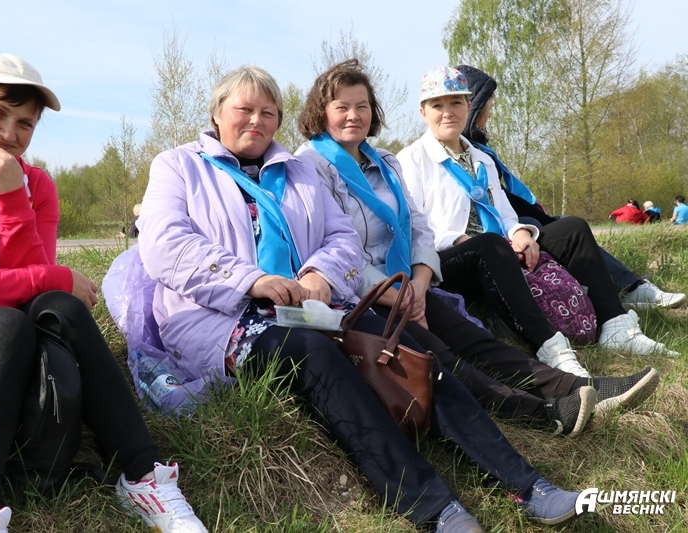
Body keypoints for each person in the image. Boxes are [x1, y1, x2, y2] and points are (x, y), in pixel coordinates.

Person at [135, 64, 593, 532]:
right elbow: (164, 244)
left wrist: (320, 273)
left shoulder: (295, 171)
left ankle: (529, 485)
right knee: (315, 355)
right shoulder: (178, 166)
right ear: (216, 113)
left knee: (407, 351)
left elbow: (341, 238)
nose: (256, 121)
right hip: (221, 316)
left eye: (268, 113)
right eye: (244, 110)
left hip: (306, 307)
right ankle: (434, 507)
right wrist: (252, 280)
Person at [0, 51, 207, 533]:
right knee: (7, 320)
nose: (9, 133)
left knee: (54, 308)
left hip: (3, 341)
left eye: (25, 123)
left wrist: (12, 198)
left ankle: (144, 475)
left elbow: (32, 290)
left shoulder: (35, 185)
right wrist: (54, 276)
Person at [294, 59, 659, 437]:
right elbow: (334, 247)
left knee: (477, 341)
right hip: (364, 293)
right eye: (341, 107)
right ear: (321, 112)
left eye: (362, 106)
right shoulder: (311, 166)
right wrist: (400, 294)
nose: (354, 115)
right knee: (440, 356)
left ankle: (579, 387)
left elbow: (417, 227)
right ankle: (542, 413)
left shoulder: (384, 161)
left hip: (408, 282)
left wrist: (419, 283)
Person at [396, 66, 679, 369]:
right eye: (437, 105)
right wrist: (459, 239)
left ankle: (616, 325)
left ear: (468, 106)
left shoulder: (481, 159)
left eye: (456, 103)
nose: (447, 112)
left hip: (497, 248)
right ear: (423, 112)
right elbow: (414, 227)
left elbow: (504, 212)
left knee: (572, 229)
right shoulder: (410, 161)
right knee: (489, 245)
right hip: (448, 258)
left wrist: (520, 234)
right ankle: (552, 349)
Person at [456, 64, 686, 309]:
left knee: (556, 223)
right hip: (476, 236)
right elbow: (491, 201)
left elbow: (502, 198)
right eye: (489, 105)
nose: (491, 113)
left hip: (501, 226)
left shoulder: (478, 150)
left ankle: (618, 288)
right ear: (474, 107)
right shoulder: (461, 153)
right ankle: (623, 289)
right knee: (554, 227)